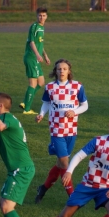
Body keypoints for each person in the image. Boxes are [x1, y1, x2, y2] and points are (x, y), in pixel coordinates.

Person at [34, 58, 88, 204]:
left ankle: (43, 189)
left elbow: (85, 105)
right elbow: (46, 103)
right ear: (55, 71)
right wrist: (41, 114)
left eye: (64, 69)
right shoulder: (50, 87)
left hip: (71, 130)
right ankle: (72, 197)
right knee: (65, 163)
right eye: (59, 69)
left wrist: (74, 112)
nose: (62, 71)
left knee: (60, 164)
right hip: (56, 128)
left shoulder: (77, 86)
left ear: (69, 71)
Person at [19, 7, 51, 115]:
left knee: (41, 82)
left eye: (43, 15)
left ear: (46, 16)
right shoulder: (34, 27)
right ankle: (27, 109)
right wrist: (37, 55)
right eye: (40, 15)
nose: (41, 17)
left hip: (35, 58)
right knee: (33, 83)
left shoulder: (42, 28)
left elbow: (39, 44)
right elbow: (31, 42)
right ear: (37, 16)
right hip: (31, 58)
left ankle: (25, 102)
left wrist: (45, 55)